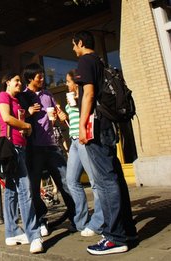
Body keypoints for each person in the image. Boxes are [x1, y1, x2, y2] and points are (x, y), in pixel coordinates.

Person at [72, 30, 137, 255]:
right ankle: (127, 232)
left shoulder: (85, 61)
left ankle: (114, 238)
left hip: (96, 128)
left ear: (80, 43)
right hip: (108, 126)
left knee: (106, 181)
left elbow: (89, 94)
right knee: (116, 179)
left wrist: (81, 126)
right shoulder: (99, 61)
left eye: (74, 45)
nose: (73, 49)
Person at [18, 63, 76, 237]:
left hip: (52, 146)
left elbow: (56, 115)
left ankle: (76, 217)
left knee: (66, 182)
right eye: (39, 77)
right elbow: (17, 118)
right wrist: (28, 112)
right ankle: (41, 220)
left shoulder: (48, 94)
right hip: (33, 148)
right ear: (30, 79)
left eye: (42, 76)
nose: (42, 79)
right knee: (34, 188)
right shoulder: (23, 96)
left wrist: (60, 115)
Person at [0, 72, 43, 254]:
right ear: (7, 82)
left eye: (20, 81)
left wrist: (24, 129)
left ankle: (12, 232)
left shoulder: (17, 101)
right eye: (16, 80)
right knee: (25, 190)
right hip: (12, 149)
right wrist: (27, 126)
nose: (19, 83)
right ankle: (34, 235)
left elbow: (16, 121)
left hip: (19, 147)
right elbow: (6, 118)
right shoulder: (3, 96)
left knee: (11, 190)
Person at [63, 69, 104, 237]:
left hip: (84, 140)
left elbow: (87, 114)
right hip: (73, 140)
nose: (66, 84)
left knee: (95, 181)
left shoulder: (83, 96)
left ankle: (99, 222)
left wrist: (77, 103)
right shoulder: (71, 98)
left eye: (68, 81)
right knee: (71, 180)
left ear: (75, 83)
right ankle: (81, 222)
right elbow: (72, 119)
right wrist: (63, 115)